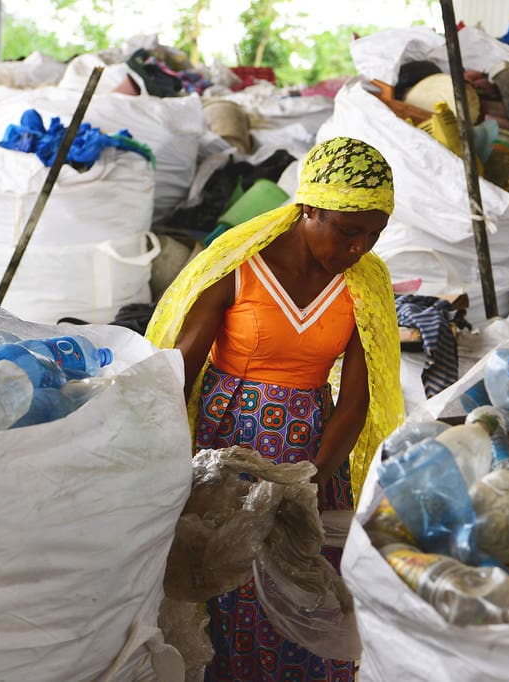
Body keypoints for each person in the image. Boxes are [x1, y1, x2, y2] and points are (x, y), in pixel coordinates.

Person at [146, 136, 404, 681]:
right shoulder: (239, 265)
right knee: (225, 573)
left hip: (314, 447)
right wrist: (157, 449)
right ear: (309, 206)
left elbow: (356, 398)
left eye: (374, 234)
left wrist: (308, 481)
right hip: (230, 438)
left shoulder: (363, 283)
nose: (360, 247)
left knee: (298, 577)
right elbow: (183, 366)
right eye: (349, 230)